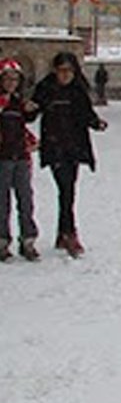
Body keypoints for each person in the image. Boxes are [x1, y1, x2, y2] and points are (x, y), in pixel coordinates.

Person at [31, 52, 107, 258]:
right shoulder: (46, 89)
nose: (65, 75)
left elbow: (86, 114)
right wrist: (30, 109)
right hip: (54, 146)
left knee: (68, 189)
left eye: (69, 71)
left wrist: (97, 123)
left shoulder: (77, 91)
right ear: (54, 71)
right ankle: (69, 232)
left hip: (74, 146)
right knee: (66, 188)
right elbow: (32, 112)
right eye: (61, 70)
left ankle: (62, 232)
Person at [0, 58, 41, 261]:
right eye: (7, 78)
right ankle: (2, 240)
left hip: (21, 156)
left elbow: (23, 124)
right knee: (2, 201)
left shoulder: (17, 102)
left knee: (26, 200)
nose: (10, 82)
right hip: (3, 157)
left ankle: (28, 239)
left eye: (14, 79)